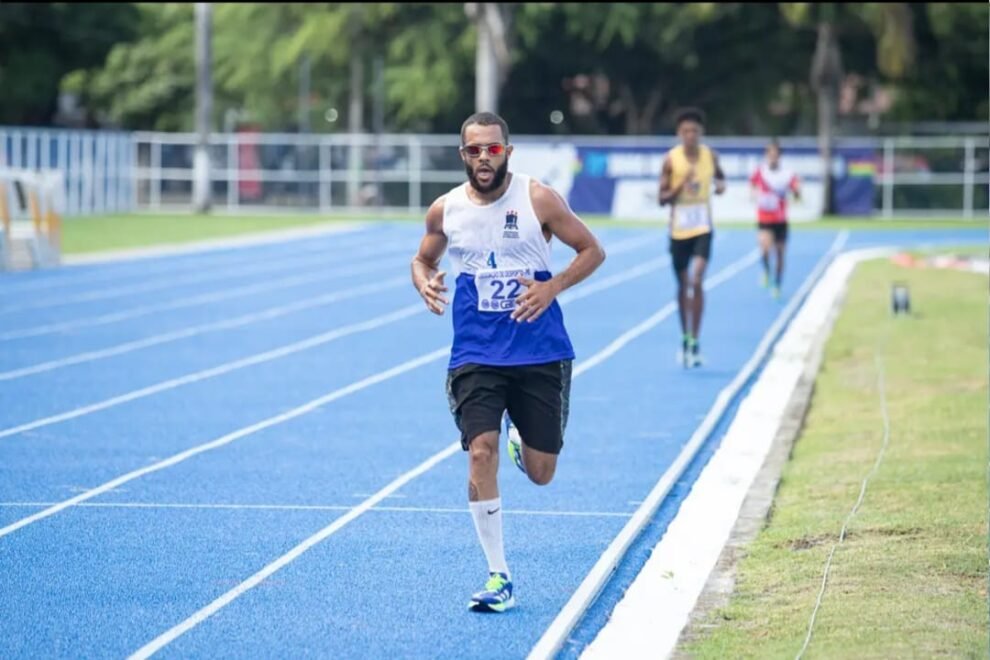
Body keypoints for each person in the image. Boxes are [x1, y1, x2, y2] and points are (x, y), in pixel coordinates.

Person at [411, 111, 606, 613]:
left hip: (539, 351)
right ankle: (499, 575)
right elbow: (423, 257)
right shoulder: (445, 210)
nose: (483, 158)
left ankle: (524, 442)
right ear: (463, 155)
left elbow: (591, 250)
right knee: (480, 451)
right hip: (477, 353)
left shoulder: (537, 197)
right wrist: (423, 279)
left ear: (507, 152)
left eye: (492, 149)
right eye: (474, 150)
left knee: (543, 473)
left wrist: (551, 286)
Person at [657, 107, 726, 368]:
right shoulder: (671, 160)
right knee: (682, 285)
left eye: (694, 131)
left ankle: (695, 339)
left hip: (702, 227)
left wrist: (720, 187)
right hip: (678, 231)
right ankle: (685, 336)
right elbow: (662, 199)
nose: (690, 135)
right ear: (679, 133)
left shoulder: (711, 156)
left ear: (701, 133)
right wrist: (679, 184)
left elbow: (721, 179)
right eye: (685, 131)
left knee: (697, 280)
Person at [749, 139, 801, 299]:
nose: (772, 157)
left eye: (775, 154)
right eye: (769, 154)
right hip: (764, 217)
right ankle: (766, 270)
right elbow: (752, 185)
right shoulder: (760, 171)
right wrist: (755, 195)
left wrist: (797, 193)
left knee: (779, 254)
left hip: (780, 219)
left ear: (780, 156)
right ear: (766, 155)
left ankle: (777, 284)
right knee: (764, 248)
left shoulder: (787, 174)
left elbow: (796, 190)